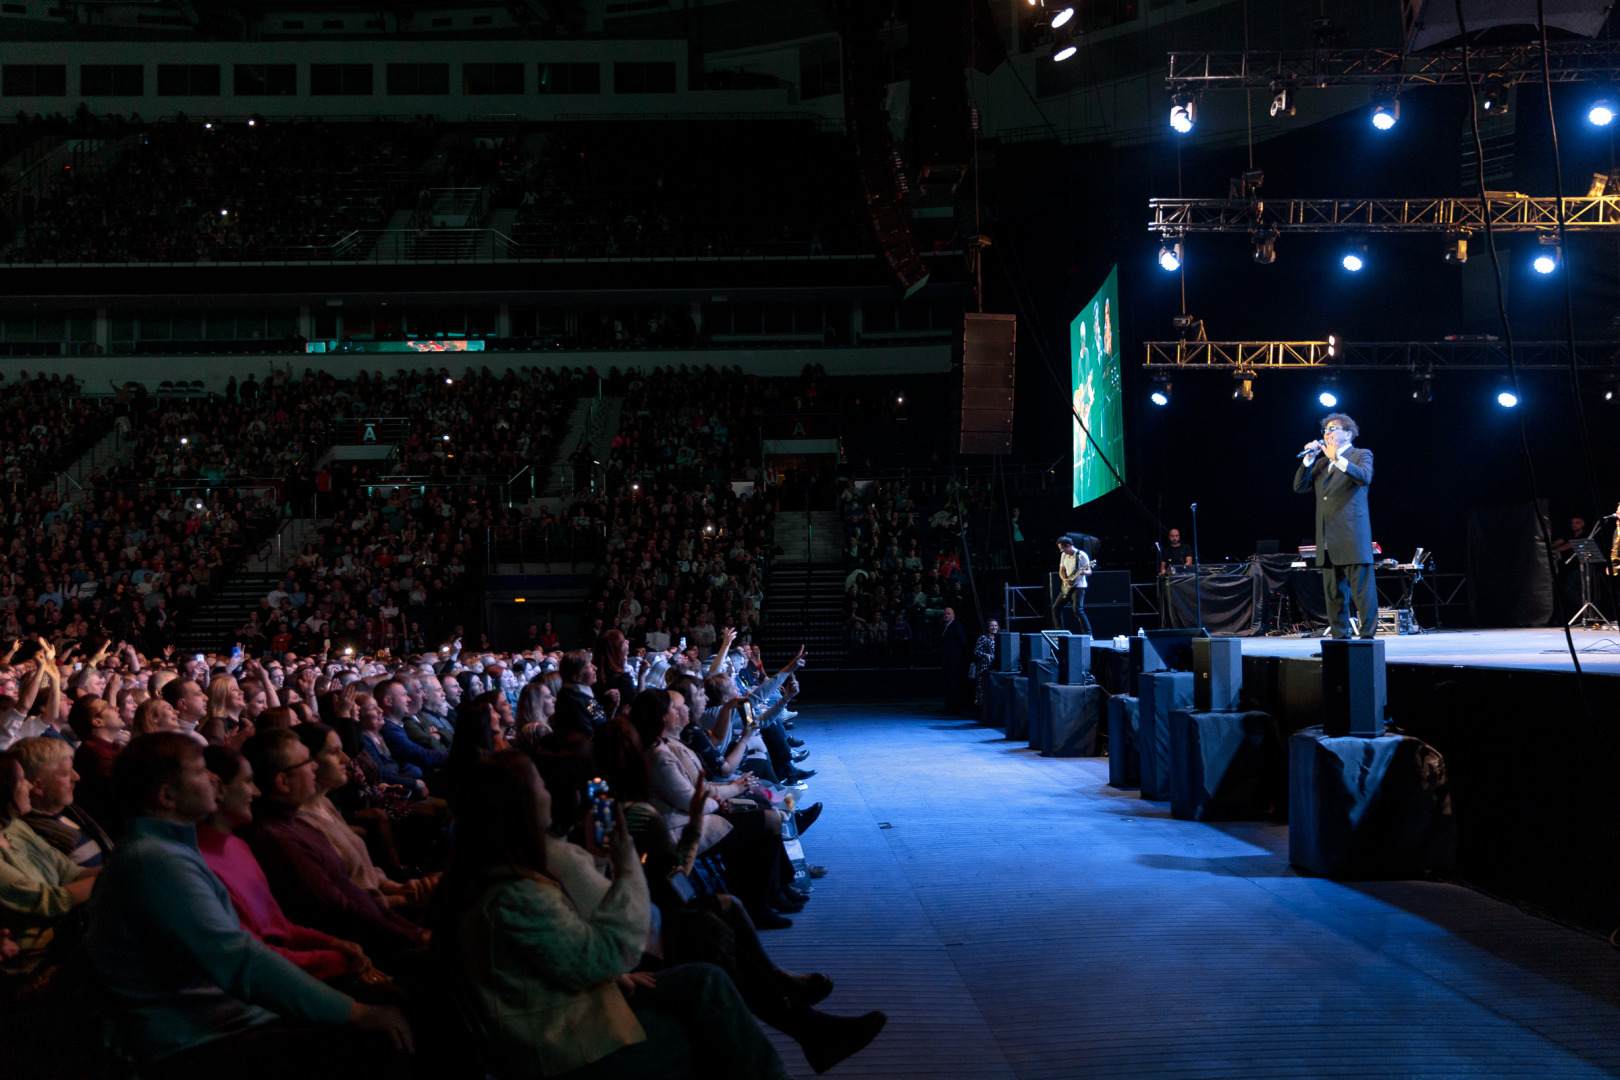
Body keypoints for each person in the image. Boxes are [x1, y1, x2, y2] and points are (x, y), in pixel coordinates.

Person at [434, 751, 791, 1080]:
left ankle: (795, 1019)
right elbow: (619, 946)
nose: (546, 793)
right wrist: (624, 858)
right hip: (569, 1045)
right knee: (712, 1015)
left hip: (578, 997)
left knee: (707, 977)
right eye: (538, 785)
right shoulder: (515, 892)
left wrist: (606, 861)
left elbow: (561, 951)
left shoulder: (497, 874)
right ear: (519, 806)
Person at [82, 733, 413, 1079]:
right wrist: (354, 1012)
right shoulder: (153, 862)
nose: (213, 779)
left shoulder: (168, 850)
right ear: (167, 796)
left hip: (230, 1023)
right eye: (199, 772)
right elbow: (239, 960)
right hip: (198, 1045)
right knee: (383, 1038)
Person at [1294, 412, 1376, 639]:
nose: (1327, 433)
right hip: (1328, 537)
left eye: (1333, 428)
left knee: (1361, 592)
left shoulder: (1360, 454)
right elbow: (1300, 487)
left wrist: (1337, 459)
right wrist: (1309, 459)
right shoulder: (1320, 463)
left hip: (1352, 536)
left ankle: (1367, 638)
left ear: (1347, 434)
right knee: (1333, 593)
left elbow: (1364, 477)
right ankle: (1340, 638)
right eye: (1325, 430)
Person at [1050, 537, 1093, 634]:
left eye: (1062, 548)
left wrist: (1084, 573)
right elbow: (1061, 571)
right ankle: (1060, 632)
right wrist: (1064, 579)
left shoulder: (1081, 555)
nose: (1061, 550)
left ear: (1068, 546)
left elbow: (1089, 571)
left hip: (1079, 586)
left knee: (1078, 610)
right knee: (1055, 608)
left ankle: (1088, 634)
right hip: (1067, 586)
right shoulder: (1064, 555)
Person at [939, 606, 968, 713]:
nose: (946, 616)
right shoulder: (944, 626)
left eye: (948, 614)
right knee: (948, 684)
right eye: (945, 614)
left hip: (954, 661)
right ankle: (949, 706)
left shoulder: (956, 626)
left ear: (953, 615)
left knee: (953, 684)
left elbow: (963, 642)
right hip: (947, 661)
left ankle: (955, 708)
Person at [970, 618, 998, 708]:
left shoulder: (1000, 638)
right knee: (983, 688)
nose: (994, 627)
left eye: (996, 625)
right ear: (988, 627)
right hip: (984, 667)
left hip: (995, 668)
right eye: (992, 625)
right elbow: (976, 652)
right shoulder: (983, 638)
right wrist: (985, 655)